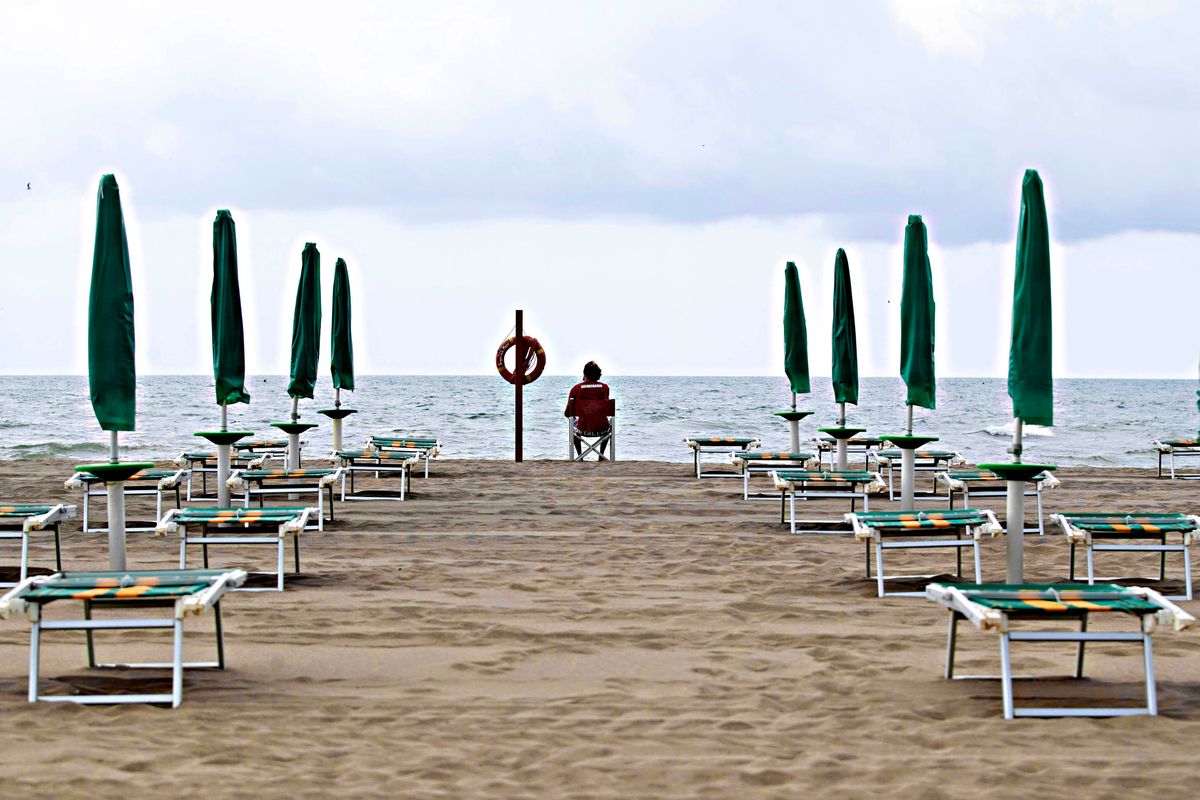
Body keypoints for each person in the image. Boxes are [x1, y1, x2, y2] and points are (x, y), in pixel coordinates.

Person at [565, 361, 611, 459]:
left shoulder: (576, 388)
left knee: (572, 424)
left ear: (585, 374)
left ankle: (580, 456)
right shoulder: (605, 388)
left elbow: (567, 413)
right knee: (610, 425)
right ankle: (601, 456)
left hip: (582, 429)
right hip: (602, 429)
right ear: (598, 374)